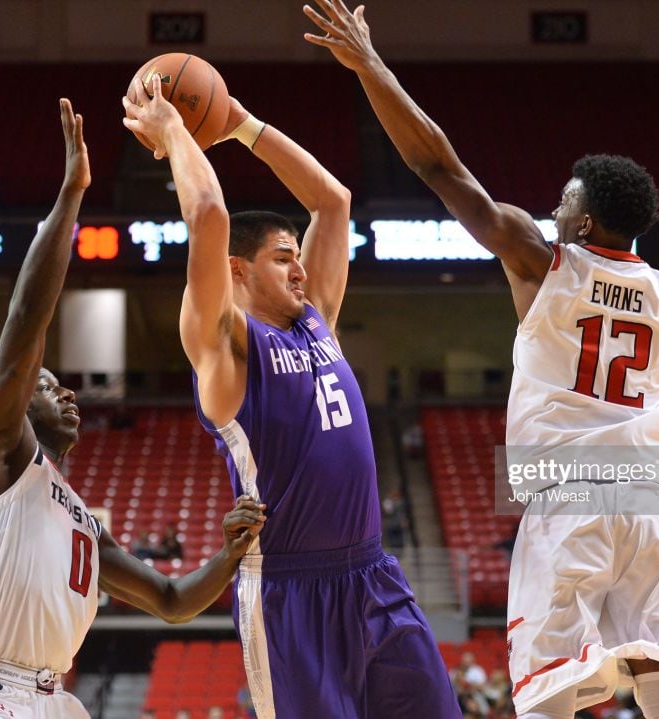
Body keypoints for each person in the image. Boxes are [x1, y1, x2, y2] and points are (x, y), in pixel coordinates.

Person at [303, 4, 659, 717]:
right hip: (649, 503)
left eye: (566, 197)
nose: (556, 204)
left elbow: (436, 163)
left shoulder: (544, 262)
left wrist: (370, 66)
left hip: (570, 498)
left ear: (586, 220)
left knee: (548, 689)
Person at [122, 75, 458, 719]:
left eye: (298, 255)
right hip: (290, 591)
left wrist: (243, 122)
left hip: (373, 574)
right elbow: (211, 217)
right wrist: (174, 131)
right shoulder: (225, 346)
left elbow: (333, 201)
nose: (301, 268)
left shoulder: (317, 322)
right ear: (237, 270)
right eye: (283, 257)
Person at [0, 99, 266, 719]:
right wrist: (71, 196)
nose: (68, 393)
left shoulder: (80, 517)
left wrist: (230, 551)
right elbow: (28, 319)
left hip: (52, 696)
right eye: (49, 386)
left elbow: (169, 598)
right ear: (14, 403)